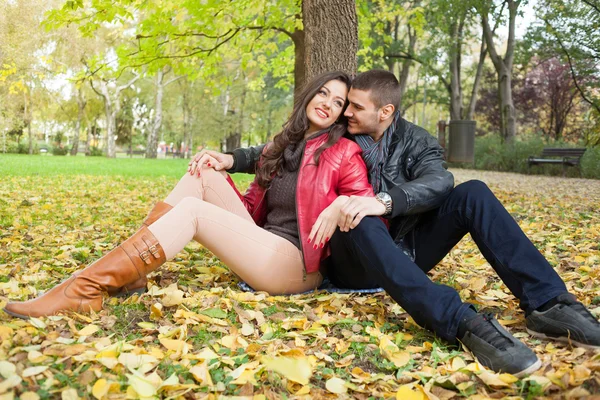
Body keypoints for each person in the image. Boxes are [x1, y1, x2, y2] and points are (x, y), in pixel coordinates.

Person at [195, 70, 600, 377]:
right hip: (353, 256)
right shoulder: (340, 133)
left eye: (355, 106)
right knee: (356, 215)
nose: (345, 111)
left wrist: (381, 201)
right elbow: (282, 148)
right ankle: (460, 321)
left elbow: (440, 182)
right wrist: (232, 158)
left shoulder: (417, 141)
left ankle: (550, 304)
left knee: (473, 192)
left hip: (408, 246)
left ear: (385, 112)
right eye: (344, 103)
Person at [3, 71, 375, 319]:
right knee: (204, 171)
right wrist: (223, 159)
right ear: (310, 95)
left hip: (295, 264)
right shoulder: (286, 144)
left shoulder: (345, 153)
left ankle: (87, 287)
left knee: (194, 212)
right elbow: (252, 180)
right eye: (323, 92)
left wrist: (343, 203)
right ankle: (130, 277)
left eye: (338, 101)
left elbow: (367, 207)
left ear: (343, 113)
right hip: (261, 241)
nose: (327, 102)